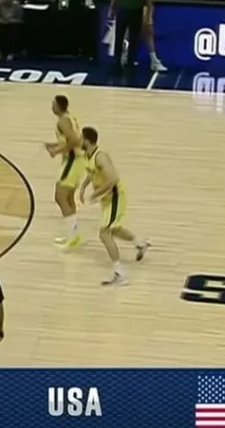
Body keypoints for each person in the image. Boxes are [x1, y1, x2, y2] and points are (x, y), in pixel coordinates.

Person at [78, 126, 150, 286]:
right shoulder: (87, 155)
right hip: (107, 198)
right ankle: (140, 243)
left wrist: (95, 194)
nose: (79, 140)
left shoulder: (100, 157)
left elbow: (113, 179)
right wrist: (83, 186)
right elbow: (92, 173)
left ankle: (120, 274)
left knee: (104, 233)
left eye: (81, 138)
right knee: (115, 229)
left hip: (115, 196)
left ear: (87, 141)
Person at [43, 95, 84, 248]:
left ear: (59, 106)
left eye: (53, 104)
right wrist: (54, 145)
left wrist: (57, 151)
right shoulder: (68, 117)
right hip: (75, 160)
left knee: (60, 197)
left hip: (72, 161)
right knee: (68, 198)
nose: (51, 107)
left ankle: (73, 236)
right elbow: (69, 139)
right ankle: (73, 235)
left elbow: (74, 141)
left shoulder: (62, 121)